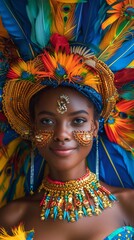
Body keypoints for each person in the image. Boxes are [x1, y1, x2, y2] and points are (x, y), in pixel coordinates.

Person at [0, 37, 134, 239]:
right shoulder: (12, 218)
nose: (62, 134)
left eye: (78, 121)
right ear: (33, 128)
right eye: (47, 121)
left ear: (95, 126)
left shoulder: (129, 205)